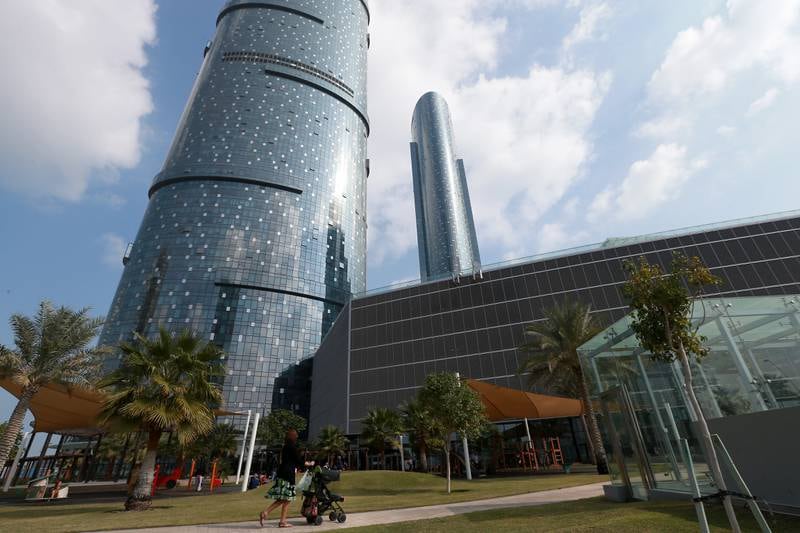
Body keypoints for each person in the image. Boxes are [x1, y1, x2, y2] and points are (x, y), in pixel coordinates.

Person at [260, 429, 313, 528]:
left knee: (283, 498)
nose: (297, 437)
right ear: (293, 437)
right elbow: (298, 461)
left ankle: (268, 514)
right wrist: (309, 463)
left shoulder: (285, 447)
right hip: (288, 475)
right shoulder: (292, 448)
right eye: (296, 435)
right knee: (287, 498)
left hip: (282, 473)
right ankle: (280, 520)